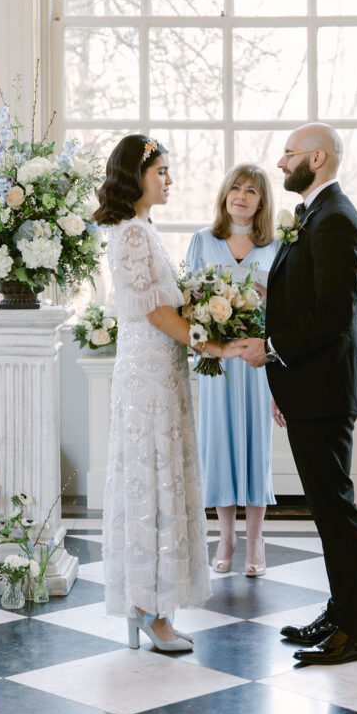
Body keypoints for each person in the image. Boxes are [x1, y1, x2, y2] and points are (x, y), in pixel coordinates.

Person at [238, 123, 357, 665]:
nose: (280, 163)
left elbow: (334, 316)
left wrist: (271, 349)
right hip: (310, 387)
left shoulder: (336, 220)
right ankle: (342, 612)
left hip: (325, 390)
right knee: (327, 510)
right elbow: (309, 300)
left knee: (335, 510)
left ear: (317, 158)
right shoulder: (317, 216)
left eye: (289, 154)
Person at [94, 134, 242, 653]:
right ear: (137, 176)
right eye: (162, 171)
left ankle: (150, 607)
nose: (169, 180)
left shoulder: (141, 229)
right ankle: (151, 611)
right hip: (148, 378)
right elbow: (158, 313)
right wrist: (214, 345)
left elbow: (166, 305)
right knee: (151, 481)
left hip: (159, 370)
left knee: (159, 478)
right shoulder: (132, 234)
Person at [186, 164, 280, 577]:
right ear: (225, 194)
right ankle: (225, 537)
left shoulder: (276, 247)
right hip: (218, 363)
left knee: (257, 449)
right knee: (219, 447)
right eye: (236, 188)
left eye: (252, 191)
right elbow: (187, 302)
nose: (242, 196)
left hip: (259, 363)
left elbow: (285, 312)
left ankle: (256, 540)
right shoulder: (203, 241)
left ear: (262, 202)